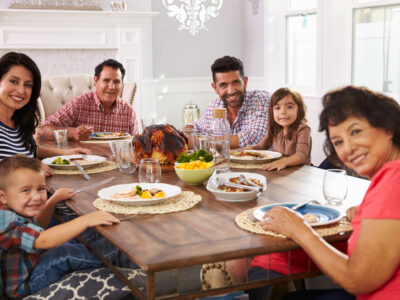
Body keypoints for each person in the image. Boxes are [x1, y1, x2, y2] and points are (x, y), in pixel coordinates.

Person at [260, 86, 400, 299]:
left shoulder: (394, 179)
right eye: (338, 142)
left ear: (388, 127)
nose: (348, 148)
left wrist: (299, 229)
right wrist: (365, 213)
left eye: (355, 132)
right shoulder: (390, 178)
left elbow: (357, 281)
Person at [0, 155, 122, 298]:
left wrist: (52, 201)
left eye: (41, 188)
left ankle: (111, 251)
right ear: (3, 197)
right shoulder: (4, 219)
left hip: (33, 264)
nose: (36, 197)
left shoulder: (13, 208)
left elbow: (39, 225)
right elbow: (43, 240)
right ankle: (120, 261)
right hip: (24, 287)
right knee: (66, 253)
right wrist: (85, 220)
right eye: (26, 190)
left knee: (73, 239)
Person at [0, 52, 90, 170]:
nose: (21, 90)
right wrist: (33, 168)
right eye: (13, 81)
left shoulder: (18, 122)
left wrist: (66, 153)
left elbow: (30, 149)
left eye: (28, 85)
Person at [36, 59, 139, 141]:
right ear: (96, 80)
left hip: (117, 164)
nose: (112, 87)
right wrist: (72, 133)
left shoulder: (128, 111)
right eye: (106, 80)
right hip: (83, 163)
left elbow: (137, 144)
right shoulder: (78, 104)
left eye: (116, 82)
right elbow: (42, 131)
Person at [187, 56, 270, 148]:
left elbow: (255, 137)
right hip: (224, 162)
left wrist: (202, 142)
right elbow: (195, 126)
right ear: (215, 88)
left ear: (245, 82)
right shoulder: (214, 106)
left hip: (263, 162)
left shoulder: (261, 100)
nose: (231, 91)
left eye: (235, 82)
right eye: (223, 85)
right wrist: (186, 135)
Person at [249, 87, 312, 171]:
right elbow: (260, 147)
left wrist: (283, 162)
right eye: (277, 108)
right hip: (279, 171)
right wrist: (236, 152)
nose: (283, 112)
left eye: (289, 107)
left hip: (300, 174)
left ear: (299, 110)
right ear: (272, 111)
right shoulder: (275, 129)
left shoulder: (303, 129)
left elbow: (301, 156)